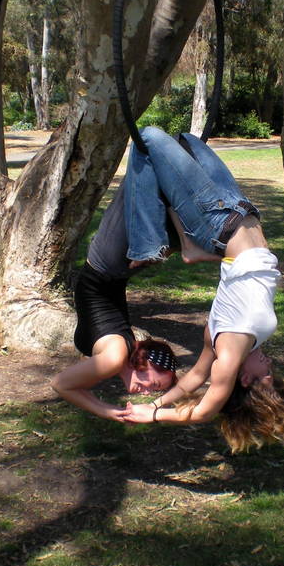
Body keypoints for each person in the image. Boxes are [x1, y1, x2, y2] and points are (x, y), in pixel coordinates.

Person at [116, 126, 284, 451]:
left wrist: (153, 413)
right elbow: (194, 378)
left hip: (218, 219)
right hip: (242, 211)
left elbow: (203, 409)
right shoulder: (237, 341)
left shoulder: (228, 354)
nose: (270, 364)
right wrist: (157, 403)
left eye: (267, 374)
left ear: (245, 379)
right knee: (187, 140)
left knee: (148, 138)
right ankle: (190, 250)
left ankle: (146, 243)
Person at [50, 180, 178, 421]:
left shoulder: (117, 357)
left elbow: (74, 386)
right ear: (145, 361)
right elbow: (60, 384)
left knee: (153, 197)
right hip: (109, 262)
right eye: (153, 384)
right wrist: (108, 411)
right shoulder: (115, 358)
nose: (147, 391)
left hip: (112, 267)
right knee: (142, 185)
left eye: (153, 389)